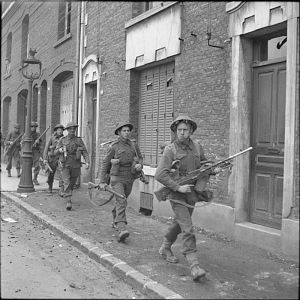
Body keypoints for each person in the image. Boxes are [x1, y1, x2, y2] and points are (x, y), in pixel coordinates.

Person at [155, 115, 217, 281]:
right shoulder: (171, 149)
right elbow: (160, 174)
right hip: (177, 193)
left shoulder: (197, 146)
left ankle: (165, 247)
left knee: (180, 223)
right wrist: (177, 187)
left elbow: (203, 164)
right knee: (188, 228)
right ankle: (194, 265)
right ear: (175, 131)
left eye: (185, 130)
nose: (182, 133)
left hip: (192, 193)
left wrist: (210, 169)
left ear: (191, 131)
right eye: (179, 130)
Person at [98, 121, 143, 242]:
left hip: (130, 177)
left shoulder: (134, 145)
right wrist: (102, 181)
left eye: (128, 130)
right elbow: (105, 163)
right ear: (119, 132)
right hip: (116, 178)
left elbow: (140, 157)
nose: (127, 133)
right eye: (124, 131)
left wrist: (140, 165)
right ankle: (122, 228)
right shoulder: (114, 146)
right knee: (122, 200)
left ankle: (115, 217)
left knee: (121, 200)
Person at [55, 122, 90, 210]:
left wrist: (87, 162)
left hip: (76, 164)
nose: (72, 130)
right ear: (67, 130)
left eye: (73, 129)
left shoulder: (78, 140)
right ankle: (68, 200)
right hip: (65, 164)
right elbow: (55, 152)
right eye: (70, 129)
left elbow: (84, 151)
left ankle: (68, 193)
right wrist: (60, 150)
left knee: (72, 182)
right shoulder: (62, 140)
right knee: (66, 181)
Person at [43, 124, 65, 193]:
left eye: (61, 130)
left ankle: (61, 189)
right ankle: (50, 187)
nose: (60, 132)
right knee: (51, 174)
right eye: (58, 130)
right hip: (52, 158)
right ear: (56, 131)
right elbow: (46, 149)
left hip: (61, 158)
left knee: (62, 173)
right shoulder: (52, 138)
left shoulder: (64, 138)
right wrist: (45, 159)